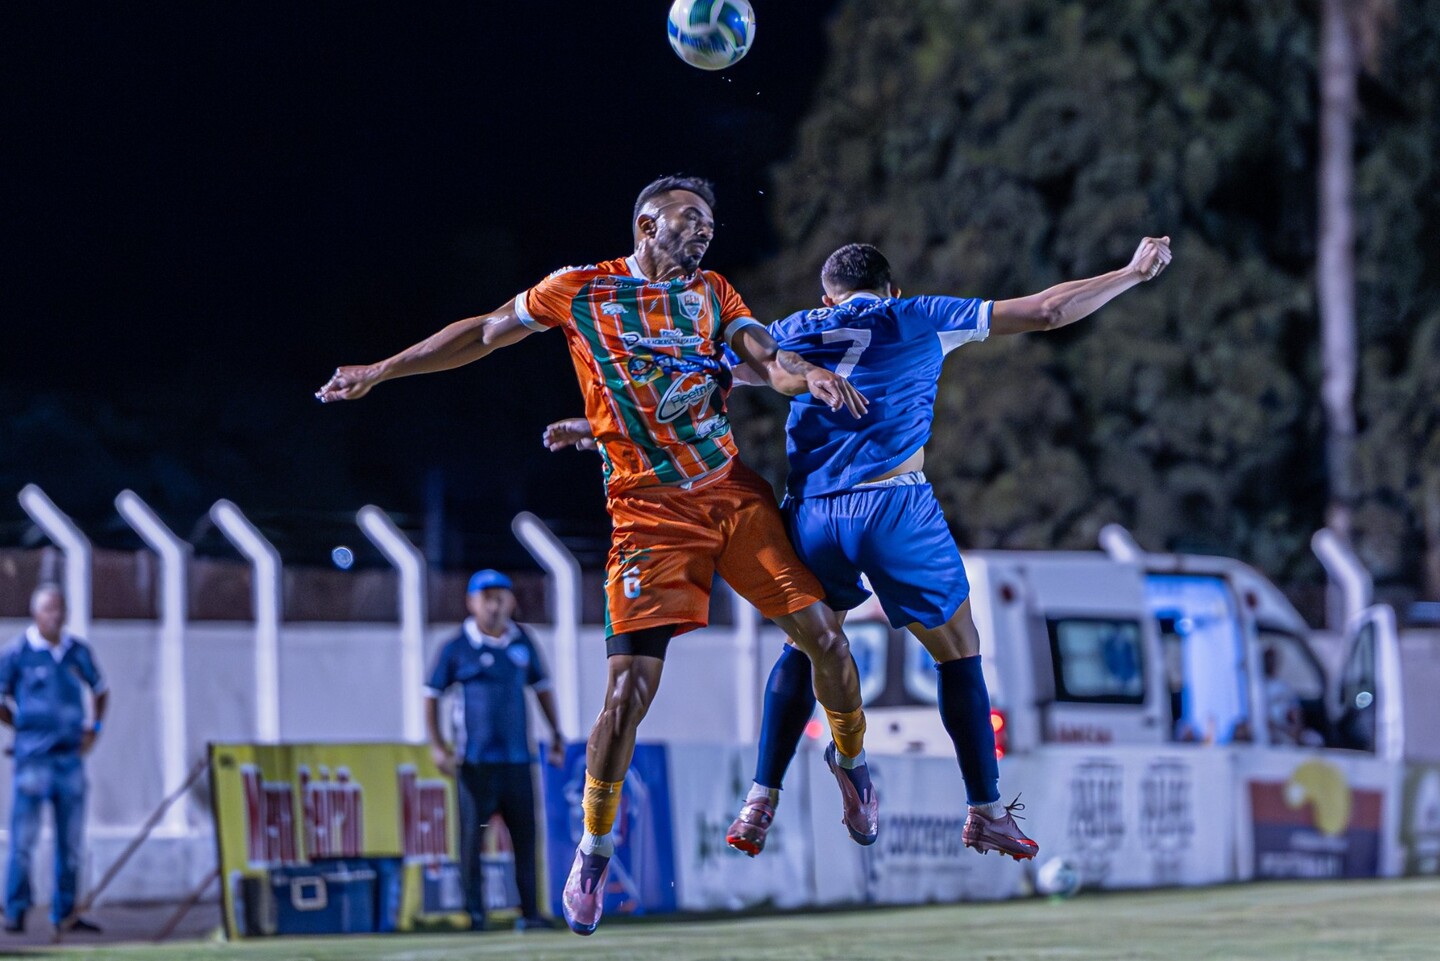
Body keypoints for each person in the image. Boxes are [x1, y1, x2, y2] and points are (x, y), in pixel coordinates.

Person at [317, 174, 877, 936]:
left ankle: (851, 761)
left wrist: (804, 373)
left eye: (710, 220)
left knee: (827, 638)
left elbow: (764, 354)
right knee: (626, 696)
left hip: (729, 495)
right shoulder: (580, 290)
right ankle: (594, 847)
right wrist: (381, 370)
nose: (704, 228)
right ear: (647, 225)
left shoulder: (713, 292)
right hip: (647, 516)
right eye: (689, 217)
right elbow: (484, 332)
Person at [548, 234, 1173, 863]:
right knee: (958, 650)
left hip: (812, 514)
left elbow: (698, 384)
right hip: (891, 508)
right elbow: (1048, 311)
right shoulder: (917, 314)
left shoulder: (790, 330)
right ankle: (985, 811)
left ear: (829, 297)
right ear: (891, 289)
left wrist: (601, 429)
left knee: (809, 643)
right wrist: (1128, 272)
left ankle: (760, 797)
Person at [425, 570, 566, 932]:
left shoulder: (523, 642)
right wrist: (438, 746)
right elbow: (432, 695)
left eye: (500, 597)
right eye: (486, 598)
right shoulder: (457, 647)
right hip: (475, 763)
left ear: (511, 601)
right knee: (473, 839)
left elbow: (541, 687)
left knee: (525, 839)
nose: (494, 606)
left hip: (517, 760)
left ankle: (531, 912)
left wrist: (555, 732)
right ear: (471, 603)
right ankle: (475, 913)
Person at [0, 585, 108, 935]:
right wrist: (21, 726)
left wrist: (94, 727)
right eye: (49, 610)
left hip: (69, 759)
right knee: (23, 841)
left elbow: (100, 688)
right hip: (33, 760)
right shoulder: (18, 652)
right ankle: (16, 909)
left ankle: (65, 911)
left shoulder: (76, 652)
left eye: (60, 610)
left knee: (71, 843)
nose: (56, 616)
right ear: (36, 613)